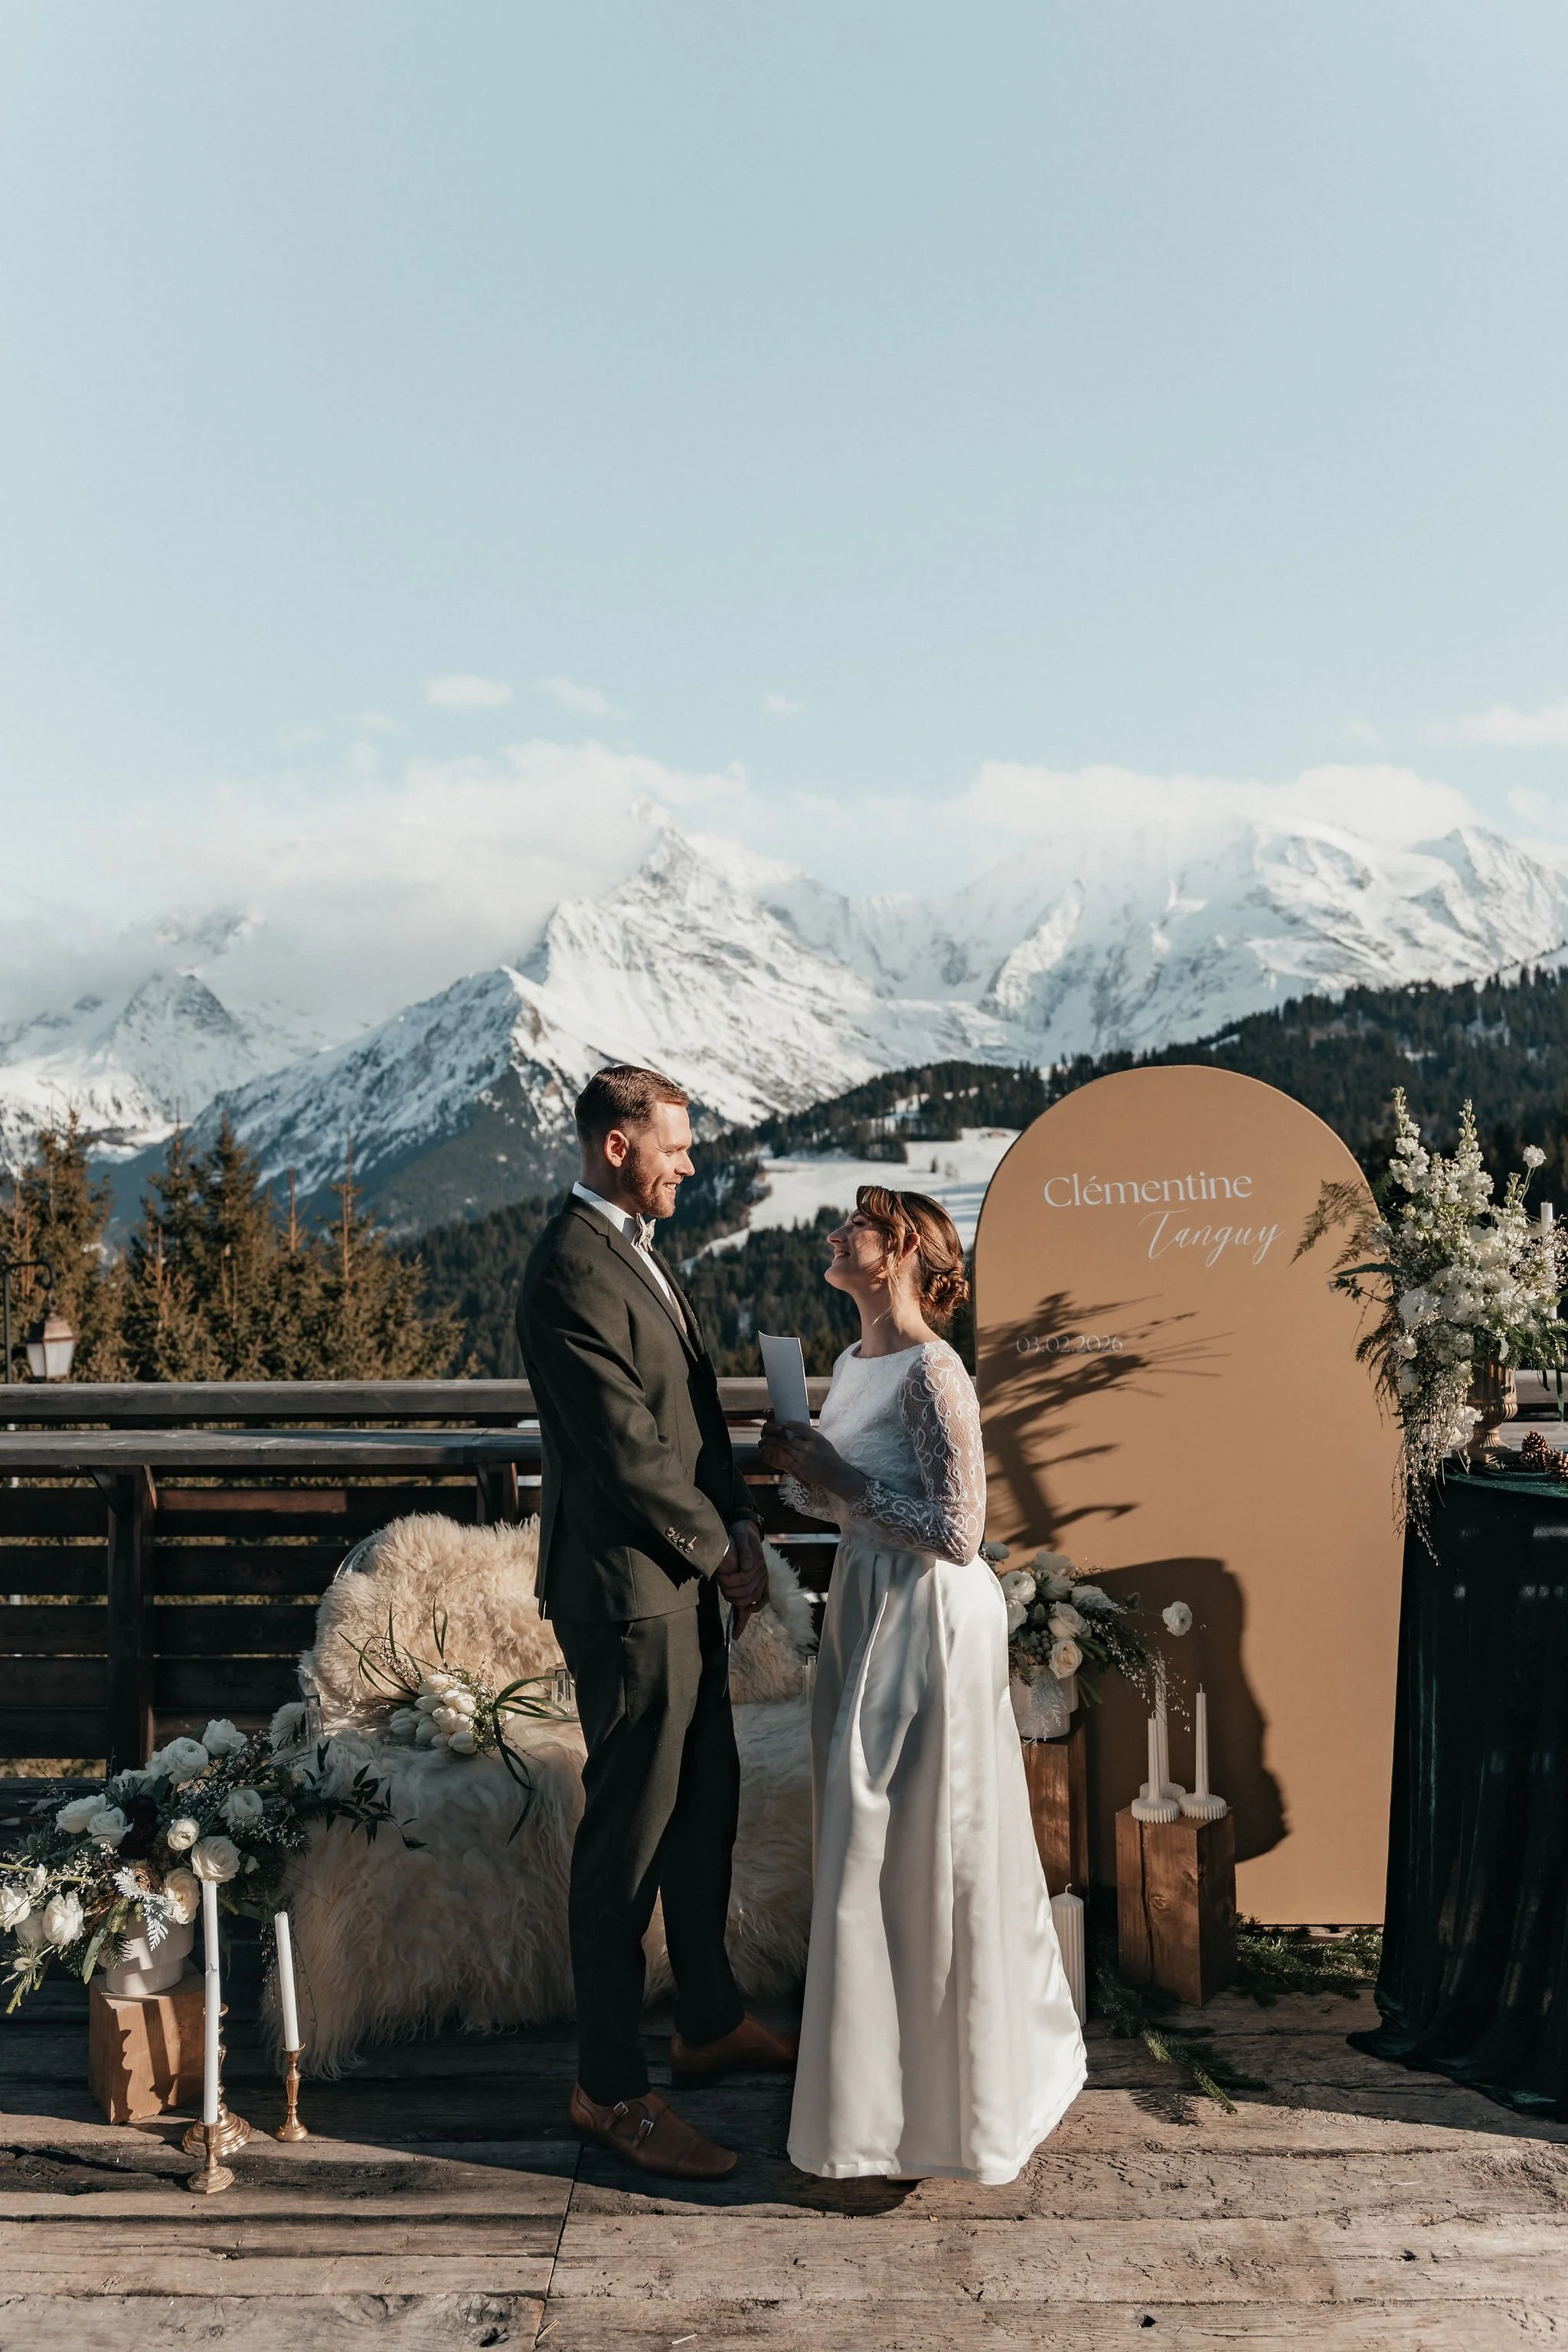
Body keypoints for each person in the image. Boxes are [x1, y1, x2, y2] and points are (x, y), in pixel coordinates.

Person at [760, 1186, 1086, 2184]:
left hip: (928, 1621)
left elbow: (956, 1530)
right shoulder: (857, 1364)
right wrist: (801, 1469)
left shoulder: (936, 1373)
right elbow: (844, 1496)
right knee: (868, 1848)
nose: (832, 1235)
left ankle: (946, 2113)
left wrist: (837, 1481)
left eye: (851, 1226)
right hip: (865, 1601)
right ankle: (881, 2111)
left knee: (918, 1849)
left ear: (897, 1250)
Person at [517, 1063, 797, 2181]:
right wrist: (720, 1546)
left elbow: (687, 1422)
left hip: (679, 1583)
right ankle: (609, 2088)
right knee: (625, 1845)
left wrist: (735, 1515)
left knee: (705, 1808)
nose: (691, 1163)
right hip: (629, 1598)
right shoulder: (567, 1273)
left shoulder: (634, 1247)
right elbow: (624, 1452)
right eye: (675, 1146)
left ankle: (707, 2022)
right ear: (617, 1146)